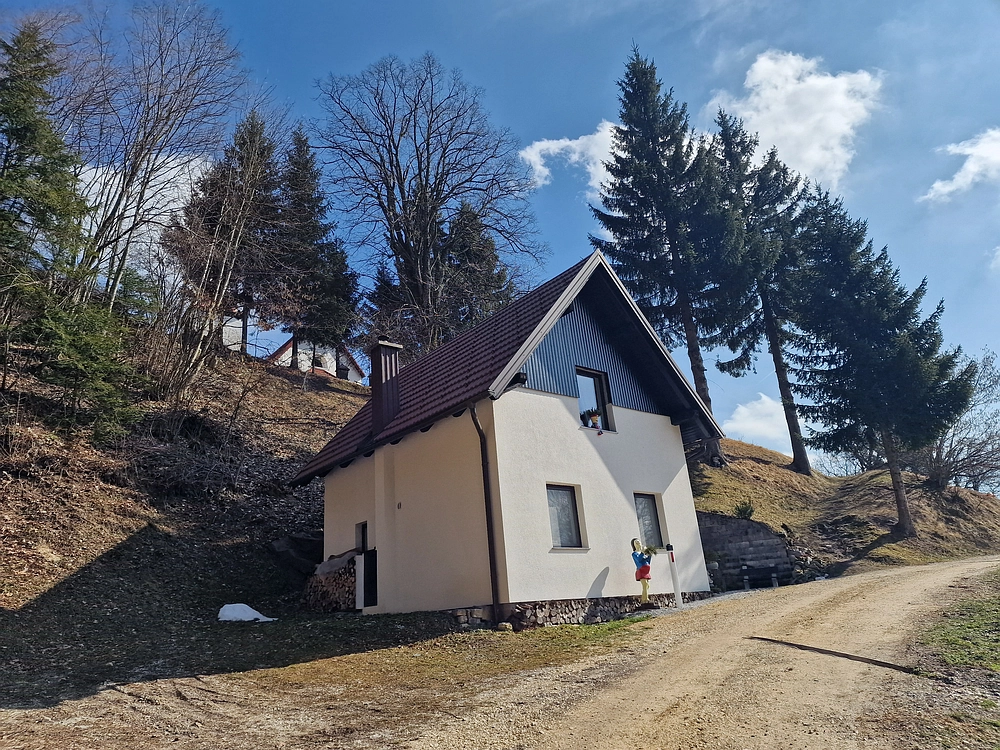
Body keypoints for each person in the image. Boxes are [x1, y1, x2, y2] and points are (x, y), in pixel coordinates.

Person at [631, 537, 652, 604]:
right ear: (634, 545)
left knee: (647, 586)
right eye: (636, 542)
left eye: (638, 542)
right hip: (641, 570)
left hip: (646, 571)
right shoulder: (635, 554)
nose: (638, 543)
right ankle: (644, 600)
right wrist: (642, 553)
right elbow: (639, 560)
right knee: (645, 585)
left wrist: (649, 555)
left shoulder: (642, 553)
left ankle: (645, 598)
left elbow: (648, 561)